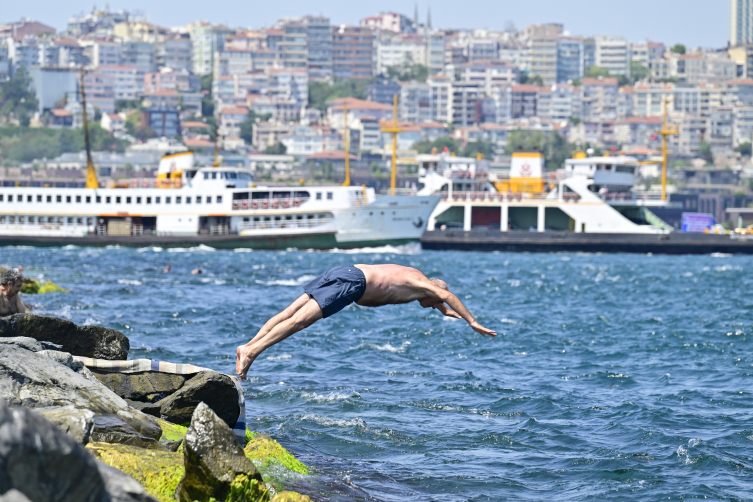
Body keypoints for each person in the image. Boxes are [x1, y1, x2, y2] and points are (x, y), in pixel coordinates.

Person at [235, 264, 496, 380]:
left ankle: (247, 345)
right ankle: (252, 352)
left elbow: (438, 298)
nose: (431, 306)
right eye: (433, 302)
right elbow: (445, 294)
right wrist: (472, 322)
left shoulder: (417, 279)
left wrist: (444, 312)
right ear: (431, 292)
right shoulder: (423, 285)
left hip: (344, 271)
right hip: (354, 284)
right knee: (298, 322)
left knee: (287, 313)